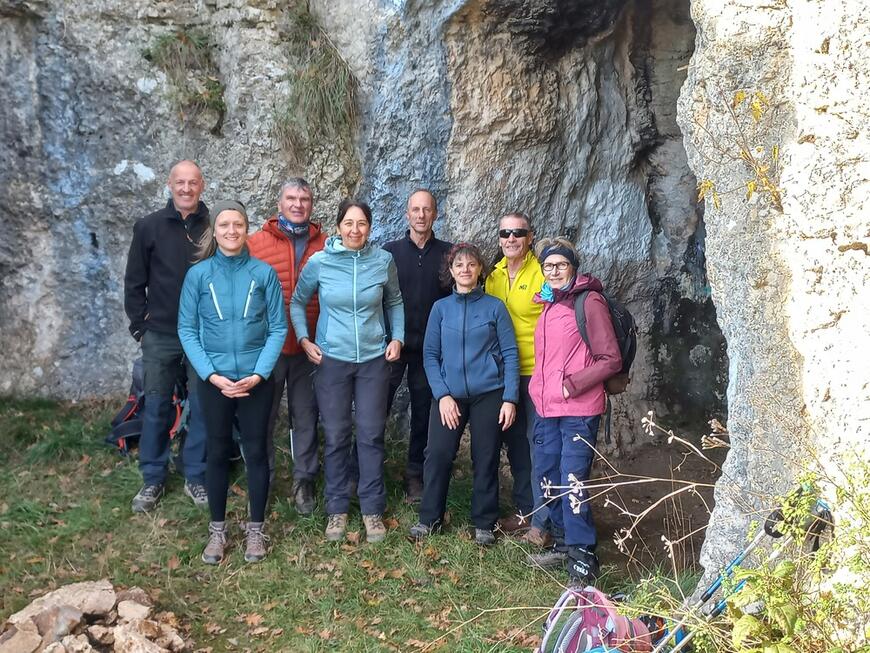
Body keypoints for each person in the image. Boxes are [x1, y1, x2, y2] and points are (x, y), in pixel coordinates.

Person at [178, 201, 287, 564]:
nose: (231, 231)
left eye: (237, 224)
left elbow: (277, 328)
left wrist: (260, 372)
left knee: (256, 452)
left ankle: (255, 531)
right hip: (215, 380)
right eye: (224, 224)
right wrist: (212, 375)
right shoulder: (199, 275)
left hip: (257, 379)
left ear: (246, 229)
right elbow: (187, 330)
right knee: (217, 451)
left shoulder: (264, 274)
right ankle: (218, 531)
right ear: (215, 229)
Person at [290, 199, 404, 544]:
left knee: (370, 435)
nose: (355, 230)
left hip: (373, 359)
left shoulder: (382, 261)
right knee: (337, 435)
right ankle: (337, 508)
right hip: (333, 360)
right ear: (338, 227)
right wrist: (304, 339)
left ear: (370, 228)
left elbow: (395, 302)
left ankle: (372, 509)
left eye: (362, 224)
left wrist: (397, 337)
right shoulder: (320, 262)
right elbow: (297, 301)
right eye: (348, 223)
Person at [409, 243, 519, 546]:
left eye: (471, 264)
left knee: (485, 456)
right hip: (450, 395)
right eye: (459, 265)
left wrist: (510, 397)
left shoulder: (495, 307)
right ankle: (428, 518)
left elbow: (510, 353)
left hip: (489, 393)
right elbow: (430, 355)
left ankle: (484, 522)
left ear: (480, 269)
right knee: (438, 454)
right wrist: (442, 395)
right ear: (451, 271)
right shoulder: (441, 309)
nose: (466, 270)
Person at [526, 238, 621, 583]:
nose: (553, 271)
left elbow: (611, 359)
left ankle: (583, 557)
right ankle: (564, 542)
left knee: (572, 480)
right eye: (548, 266)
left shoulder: (588, 302)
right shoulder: (550, 304)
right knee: (548, 477)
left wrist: (572, 384)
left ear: (573, 267)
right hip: (547, 407)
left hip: (579, 407)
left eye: (560, 265)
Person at [123, 160, 210, 513]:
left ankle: (195, 475)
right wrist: (140, 326)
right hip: (160, 334)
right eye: (180, 182)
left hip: (204, 335)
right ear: (169, 185)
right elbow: (134, 281)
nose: (186, 188)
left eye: (192, 182)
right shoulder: (149, 227)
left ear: (202, 185)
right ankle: (153, 478)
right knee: (157, 404)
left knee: (203, 406)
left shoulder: (213, 226)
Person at [247, 178, 326, 514]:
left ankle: (304, 480)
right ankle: (260, 477)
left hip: (309, 347)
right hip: (269, 348)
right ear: (279, 203)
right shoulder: (256, 243)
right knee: (262, 416)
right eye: (291, 198)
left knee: (305, 416)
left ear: (311, 205)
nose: (298, 205)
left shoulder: (326, 244)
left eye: (304, 199)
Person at [382, 189, 452, 503]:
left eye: (427, 210)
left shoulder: (449, 254)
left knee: (423, 414)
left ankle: (415, 475)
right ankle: (363, 472)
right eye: (415, 209)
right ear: (407, 214)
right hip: (393, 346)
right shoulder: (389, 252)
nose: (421, 215)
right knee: (375, 408)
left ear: (435, 214)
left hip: (431, 351)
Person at [484, 212, 543, 539]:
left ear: (530, 237)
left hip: (536, 371)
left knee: (539, 445)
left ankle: (543, 520)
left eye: (518, 233)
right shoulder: (492, 276)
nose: (510, 238)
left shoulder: (542, 274)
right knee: (517, 444)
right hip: (505, 374)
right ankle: (525, 511)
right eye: (505, 232)